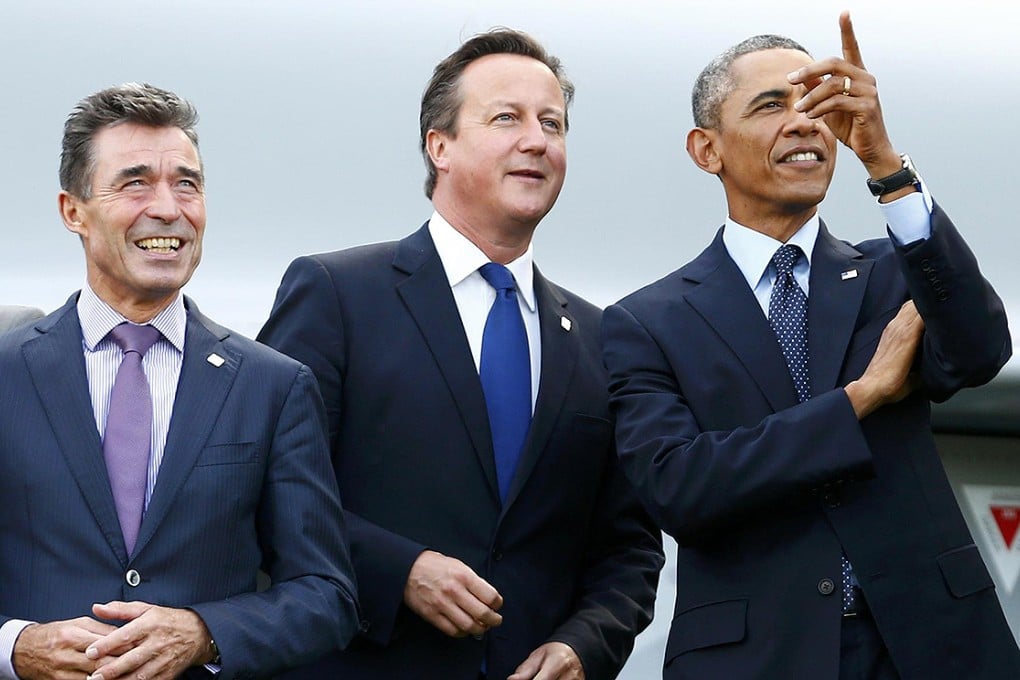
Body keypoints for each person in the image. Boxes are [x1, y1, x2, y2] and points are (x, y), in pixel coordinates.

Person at [601, 12, 1020, 680]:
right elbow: (682, 488)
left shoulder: (892, 273)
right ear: (707, 150)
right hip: (759, 657)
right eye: (771, 106)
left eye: (815, 106)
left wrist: (885, 162)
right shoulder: (645, 322)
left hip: (930, 648)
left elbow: (978, 348)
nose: (803, 124)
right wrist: (859, 398)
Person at [259, 28, 663, 680]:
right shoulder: (336, 294)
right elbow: (269, 488)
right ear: (438, 146)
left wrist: (585, 646)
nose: (537, 139)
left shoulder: (602, 337)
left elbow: (628, 546)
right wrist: (401, 570)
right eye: (507, 118)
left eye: (552, 123)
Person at [0, 83, 359, 679]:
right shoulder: (5, 374)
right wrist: (13, 648)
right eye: (135, 182)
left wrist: (205, 634)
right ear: (73, 211)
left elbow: (327, 595)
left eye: (186, 183)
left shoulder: (273, 386)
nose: (168, 207)